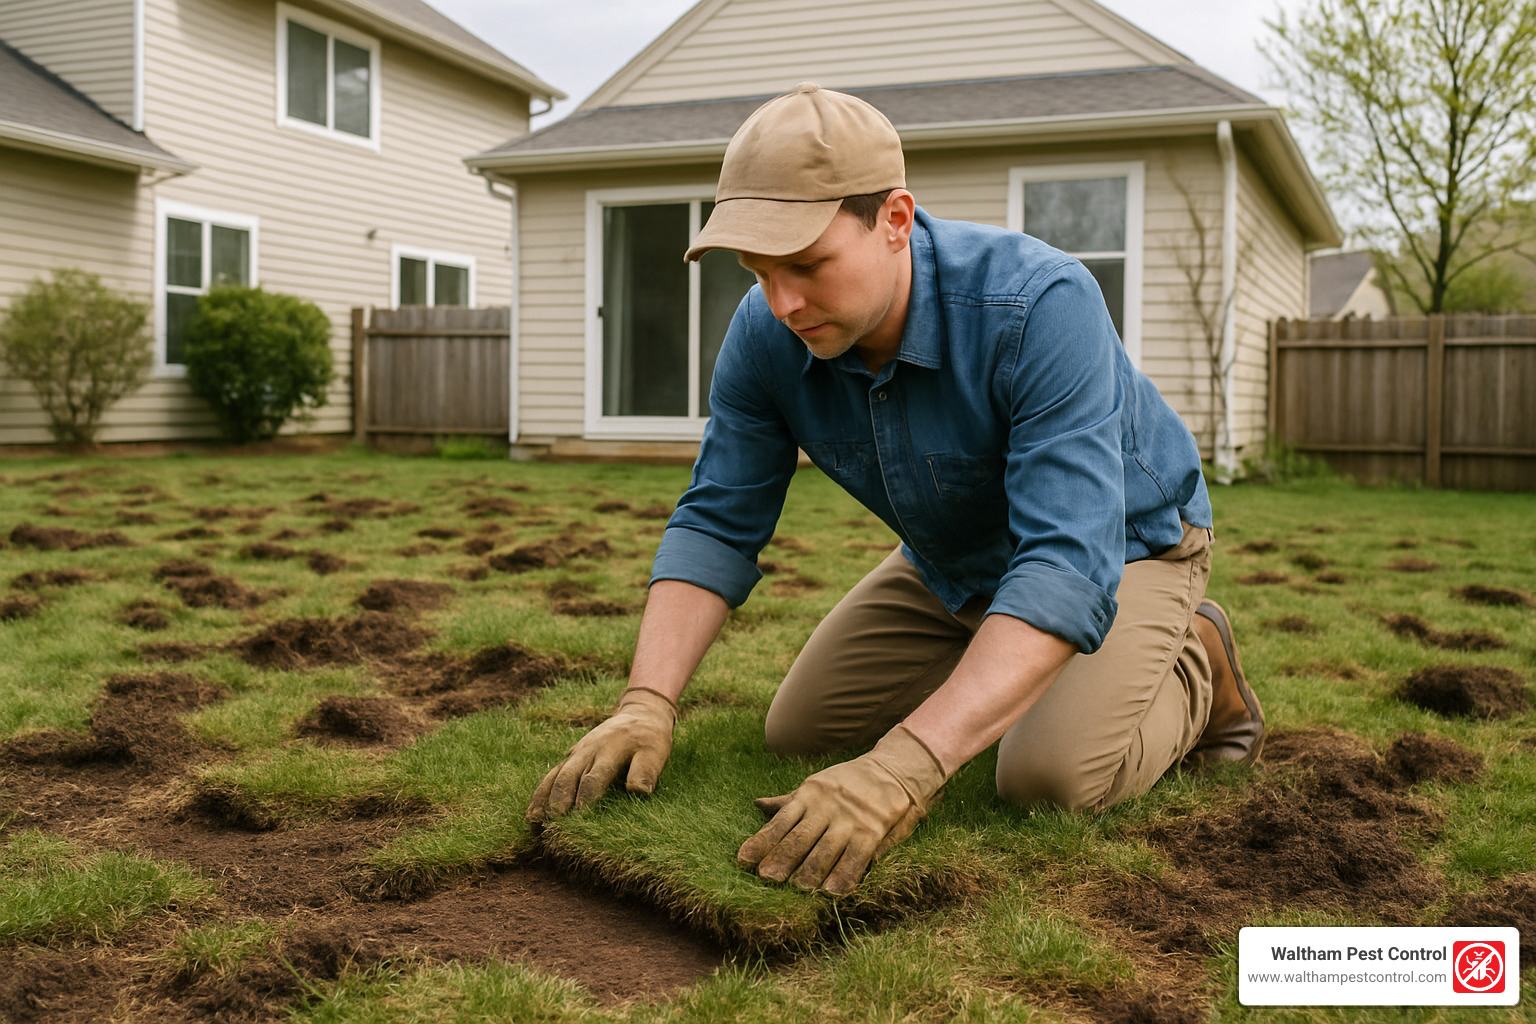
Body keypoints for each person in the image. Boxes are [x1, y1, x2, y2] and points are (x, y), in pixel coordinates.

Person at [525, 82, 1265, 895]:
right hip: (956, 556)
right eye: (759, 271)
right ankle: (999, 647)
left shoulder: (1040, 304)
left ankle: (1199, 664)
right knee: (801, 731)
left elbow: (1064, 561)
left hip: (1125, 547)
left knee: (1049, 780)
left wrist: (903, 769)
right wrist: (646, 702)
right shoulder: (764, 331)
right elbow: (717, 521)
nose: (784, 302)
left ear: (896, 221)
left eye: (807, 264)